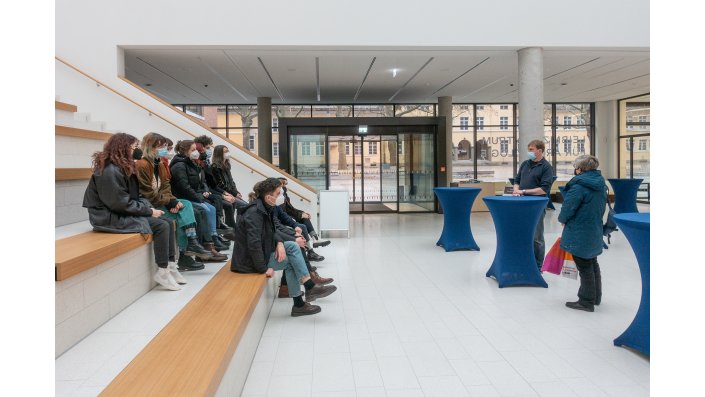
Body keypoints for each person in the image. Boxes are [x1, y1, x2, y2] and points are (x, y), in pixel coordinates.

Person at [82, 133, 181, 291]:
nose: (137, 151)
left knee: (168, 222)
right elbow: (118, 203)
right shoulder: (109, 170)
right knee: (161, 226)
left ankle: (170, 266)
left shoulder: (123, 167)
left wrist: (149, 208)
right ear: (122, 148)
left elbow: (137, 196)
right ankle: (162, 271)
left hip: (121, 210)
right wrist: (148, 211)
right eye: (134, 147)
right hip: (108, 217)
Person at [232, 177, 337, 317]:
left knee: (293, 247)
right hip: (249, 262)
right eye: (277, 193)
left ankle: (308, 290)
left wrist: (280, 243)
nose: (280, 196)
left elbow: (273, 231)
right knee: (291, 262)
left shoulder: (265, 208)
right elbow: (254, 245)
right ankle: (302, 300)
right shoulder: (254, 214)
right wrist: (264, 268)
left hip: (263, 250)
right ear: (268, 197)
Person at [135, 132, 212, 271]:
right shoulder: (141, 165)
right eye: (161, 146)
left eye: (165, 146)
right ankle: (185, 252)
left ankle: (191, 244)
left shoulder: (161, 165)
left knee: (186, 205)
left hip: (162, 202)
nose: (165, 149)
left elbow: (166, 187)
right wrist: (169, 202)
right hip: (151, 205)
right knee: (182, 213)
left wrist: (173, 201)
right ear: (149, 147)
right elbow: (148, 193)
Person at [559, 155, 607, 312]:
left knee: (584, 266)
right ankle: (596, 297)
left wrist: (562, 219)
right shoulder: (600, 184)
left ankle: (586, 301)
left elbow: (568, 207)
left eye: (576, 166)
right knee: (592, 262)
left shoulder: (579, 186)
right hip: (593, 228)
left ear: (580, 169)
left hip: (580, 230)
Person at [169, 140, 229, 260]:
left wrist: (201, 194)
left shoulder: (191, 163)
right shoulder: (179, 166)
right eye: (193, 150)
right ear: (185, 151)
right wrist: (199, 198)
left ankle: (211, 239)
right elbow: (184, 187)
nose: (196, 152)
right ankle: (205, 246)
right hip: (183, 197)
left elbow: (201, 183)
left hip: (193, 195)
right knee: (204, 209)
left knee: (211, 208)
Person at [512, 139, 554, 269]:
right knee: (523, 233)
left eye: (531, 150)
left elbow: (543, 189)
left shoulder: (546, 167)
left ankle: (538, 265)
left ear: (539, 150)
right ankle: (524, 260)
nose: (529, 152)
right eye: (528, 149)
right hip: (521, 204)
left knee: (537, 237)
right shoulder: (525, 164)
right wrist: (516, 190)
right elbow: (517, 180)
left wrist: (523, 191)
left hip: (537, 205)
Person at [278, 177, 330, 249]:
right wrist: (300, 215)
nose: (285, 187)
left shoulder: (284, 195)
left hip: (288, 217)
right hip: (284, 220)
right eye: (283, 184)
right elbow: (283, 213)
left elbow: (291, 209)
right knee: (303, 225)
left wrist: (302, 213)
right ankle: (309, 249)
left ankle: (315, 239)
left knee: (305, 218)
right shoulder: (278, 198)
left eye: (286, 184)